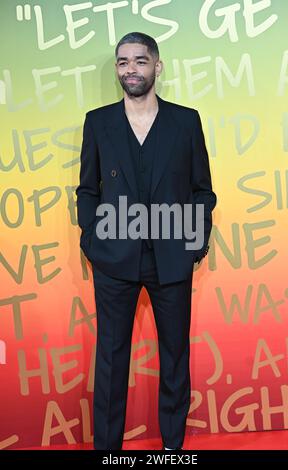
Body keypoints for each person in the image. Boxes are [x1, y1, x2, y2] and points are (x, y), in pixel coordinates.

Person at [76, 32, 217, 451]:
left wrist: (193, 244)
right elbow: (87, 189)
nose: (130, 69)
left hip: (172, 261)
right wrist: (92, 242)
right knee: (111, 362)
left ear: (157, 66)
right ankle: (108, 452)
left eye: (140, 61)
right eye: (123, 62)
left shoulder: (185, 121)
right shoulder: (97, 122)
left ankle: (172, 451)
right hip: (114, 261)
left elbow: (202, 190)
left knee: (174, 361)